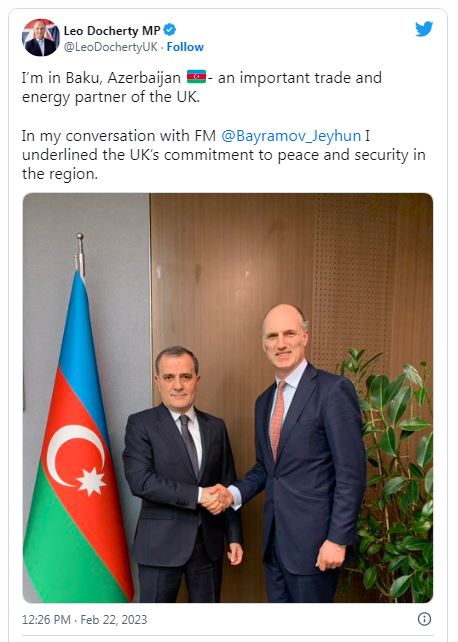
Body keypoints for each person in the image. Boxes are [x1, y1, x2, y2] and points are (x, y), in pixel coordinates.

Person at [212, 304, 366, 603]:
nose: (281, 343)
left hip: (317, 546)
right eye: (272, 336)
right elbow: (266, 469)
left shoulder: (333, 390)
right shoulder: (263, 402)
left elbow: (352, 473)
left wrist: (337, 539)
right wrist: (232, 494)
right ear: (264, 344)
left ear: (305, 337)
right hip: (274, 546)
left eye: (289, 333)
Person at [122, 345, 243, 603]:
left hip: (208, 547)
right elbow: (141, 481)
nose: (178, 385)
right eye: (169, 377)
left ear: (196, 381)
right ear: (158, 382)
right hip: (159, 548)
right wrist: (199, 495)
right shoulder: (140, 424)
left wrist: (234, 537)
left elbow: (228, 484)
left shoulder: (216, 427)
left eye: (185, 377)